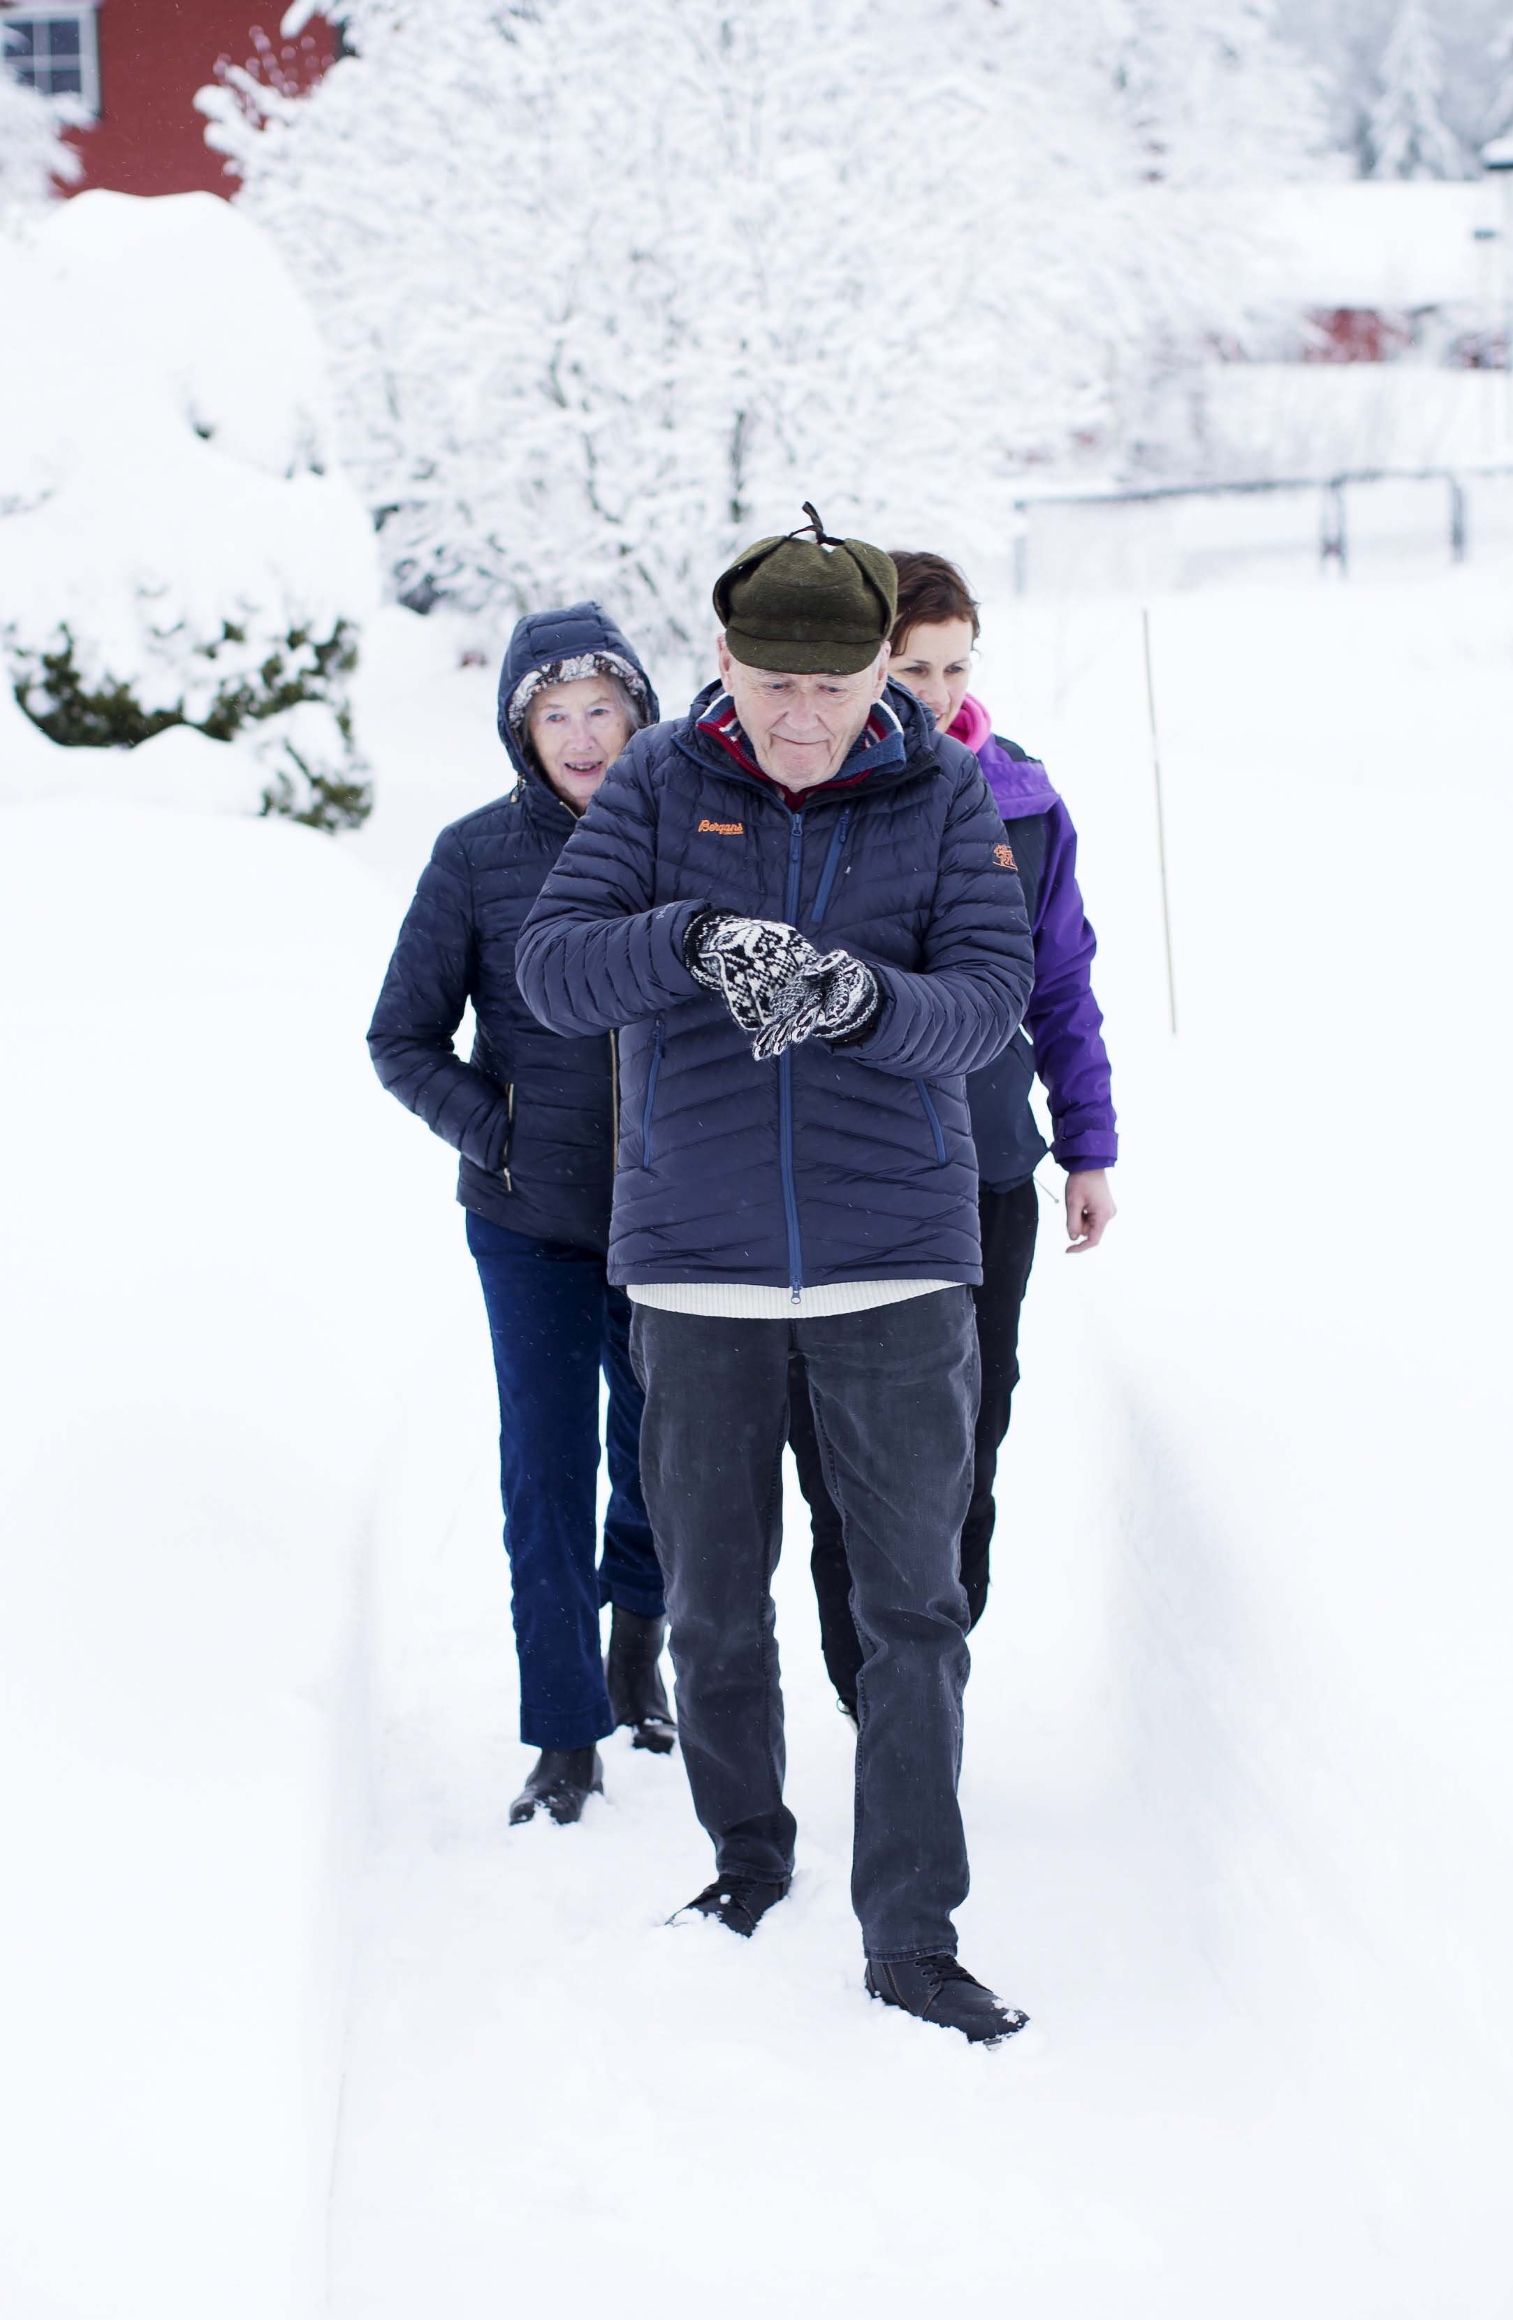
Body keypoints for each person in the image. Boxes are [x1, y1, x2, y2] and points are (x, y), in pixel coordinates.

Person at [516, 508, 1035, 2043]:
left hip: (897, 1269)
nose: (798, 717)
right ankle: (746, 1854)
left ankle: (912, 1932)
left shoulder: (943, 794)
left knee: (912, 1612)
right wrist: (682, 942)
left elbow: (988, 1008)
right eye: (769, 682)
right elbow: (553, 970)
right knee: (714, 1611)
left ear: (880, 667)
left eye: (831, 684)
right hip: (696, 1265)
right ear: (723, 663)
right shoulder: (665, 782)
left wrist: (859, 994)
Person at [789, 550, 1117, 1716]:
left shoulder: (1023, 799)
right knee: (838, 1441)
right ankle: (861, 1669)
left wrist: (1086, 1144)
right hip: (847, 1171)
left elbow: (1061, 985)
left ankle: (931, 1653)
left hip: (985, 1168)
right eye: (910, 665)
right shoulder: (819, 787)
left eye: (952, 665)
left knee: (975, 1416)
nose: (931, 689)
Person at [367, 603, 674, 1830]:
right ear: (520, 730)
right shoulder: (475, 856)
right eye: (557, 715)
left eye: (604, 709)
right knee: (545, 1474)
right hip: (528, 1222)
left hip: (674, 1224)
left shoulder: (687, 837)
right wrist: (501, 1130)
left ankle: (636, 1656)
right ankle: (563, 1735)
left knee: (661, 1463)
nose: (585, 736)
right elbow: (400, 1038)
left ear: (639, 714)